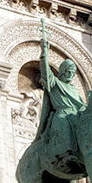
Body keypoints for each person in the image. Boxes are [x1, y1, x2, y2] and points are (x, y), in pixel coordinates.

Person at [34, 22, 85, 160]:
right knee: (62, 120)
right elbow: (46, 72)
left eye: (72, 72)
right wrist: (44, 53)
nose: (70, 74)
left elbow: (82, 105)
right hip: (62, 113)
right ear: (62, 71)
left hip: (76, 114)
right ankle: (65, 153)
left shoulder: (74, 89)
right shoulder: (55, 83)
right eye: (68, 71)